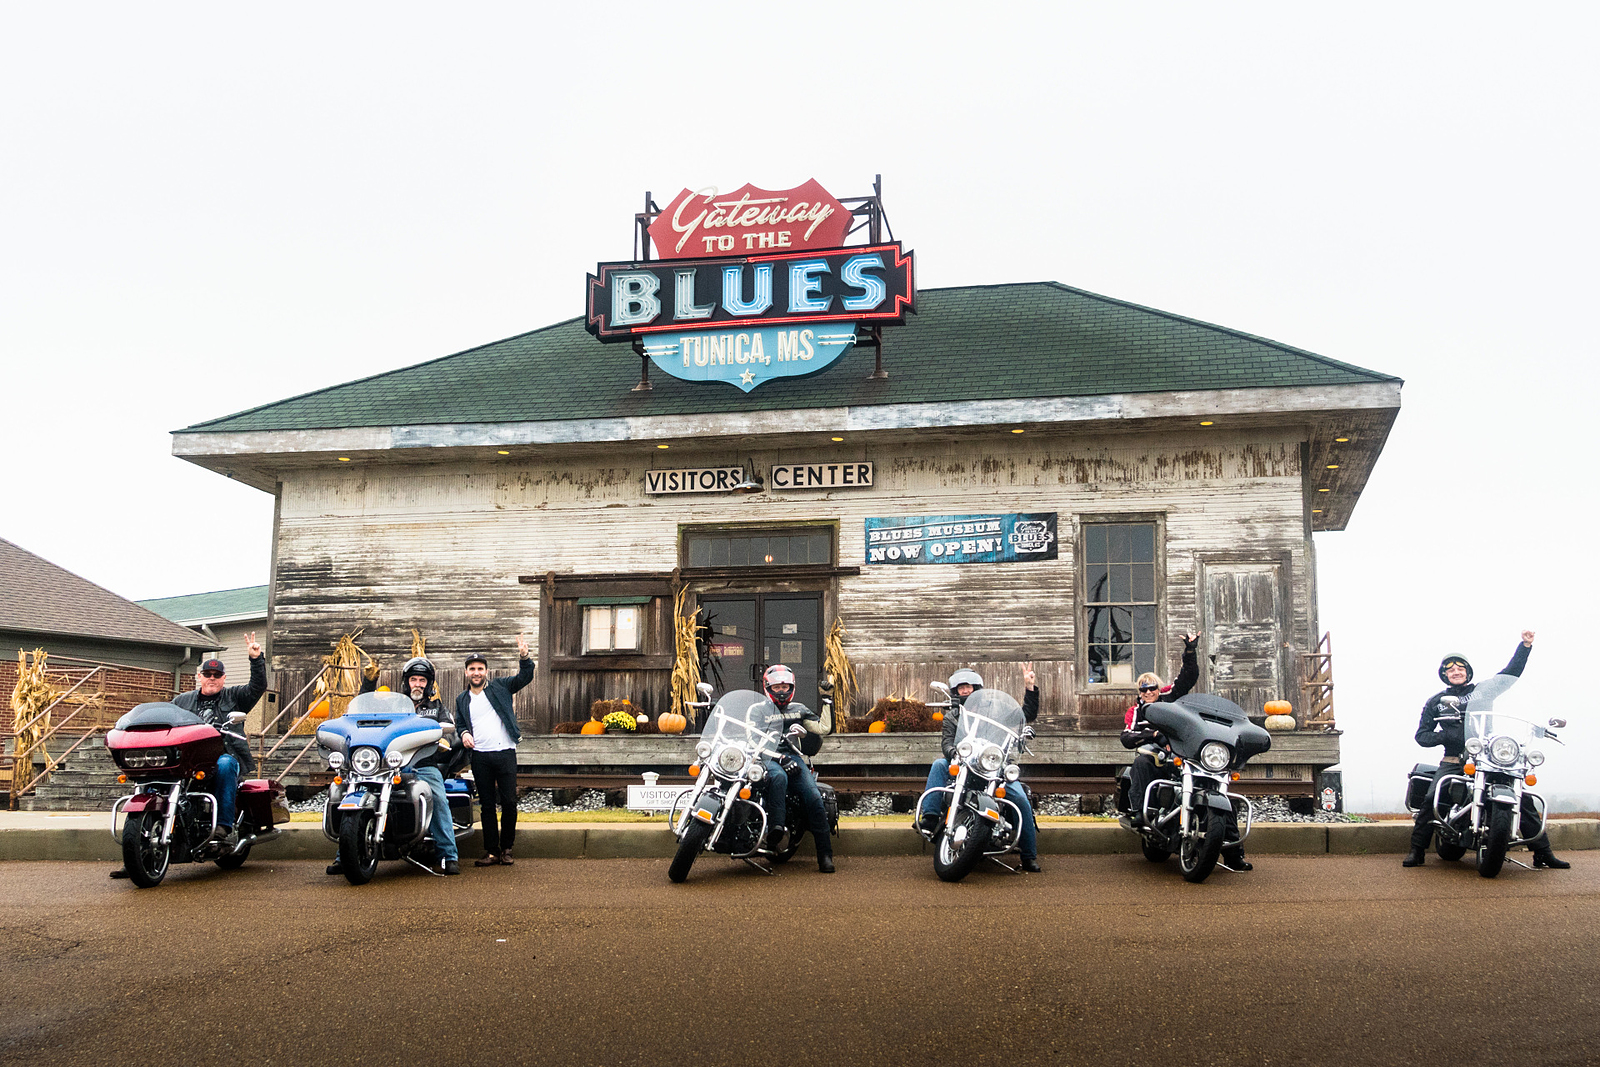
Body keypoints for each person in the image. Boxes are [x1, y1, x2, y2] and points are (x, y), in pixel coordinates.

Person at [1404, 630, 1567, 869]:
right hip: (1453, 760)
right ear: (1444, 675)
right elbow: (1422, 736)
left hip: (1486, 757)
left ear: (1467, 672)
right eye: (1450, 670)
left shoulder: (1482, 691)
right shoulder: (1436, 701)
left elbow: (1509, 675)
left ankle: (1543, 852)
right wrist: (1444, 735)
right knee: (1432, 798)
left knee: (1523, 800)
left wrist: (1525, 646)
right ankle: (1416, 851)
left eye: (1460, 668)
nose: (1456, 672)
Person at [110, 635, 267, 879]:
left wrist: (255, 658)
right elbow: (166, 721)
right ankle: (137, 856)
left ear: (223, 679)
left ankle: (223, 828)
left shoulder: (235, 696)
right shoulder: (182, 701)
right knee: (152, 778)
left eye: (217, 675)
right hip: (187, 761)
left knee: (225, 764)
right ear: (199, 676)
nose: (211, 679)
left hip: (222, 755)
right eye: (207, 674)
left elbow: (257, 687)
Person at [1120, 632, 1250, 871]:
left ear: (1159, 688)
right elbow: (1127, 737)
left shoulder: (1171, 698)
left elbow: (1188, 677)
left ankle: (1234, 854)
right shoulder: (1135, 712)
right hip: (1157, 757)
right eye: (1143, 689)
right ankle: (1140, 812)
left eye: (1152, 688)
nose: (1148, 692)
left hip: (1183, 754)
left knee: (1216, 790)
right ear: (1139, 692)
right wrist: (1154, 736)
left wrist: (1190, 650)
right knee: (1141, 764)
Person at [324, 656, 462, 875]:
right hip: (387, 764)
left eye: (422, 680)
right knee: (351, 790)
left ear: (429, 684)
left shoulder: (437, 708)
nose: (417, 684)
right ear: (406, 682)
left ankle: (448, 855)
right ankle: (345, 856)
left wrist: (446, 738)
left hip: (421, 764)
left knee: (437, 796)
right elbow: (360, 716)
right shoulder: (391, 706)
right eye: (414, 679)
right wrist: (369, 684)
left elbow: (452, 731)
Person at [916, 665, 1042, 873]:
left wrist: (1029, 687)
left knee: (1020, 799)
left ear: (977, 688)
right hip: (965, 764)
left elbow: (1025, 714)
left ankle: (1029, 855)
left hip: (994, 768)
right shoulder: (952, 716)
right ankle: (929, 818)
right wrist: (955, 753)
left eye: (969, 687)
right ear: (955, 692)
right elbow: (947, 743)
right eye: (961, 688)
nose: (965, 691)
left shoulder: (996, 713)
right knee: (939, 765)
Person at [458, 636, 535, 867]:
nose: (476, 672)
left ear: (486, 671)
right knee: (487, 805)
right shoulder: (462, 699)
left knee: (509, 802)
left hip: (505, 753)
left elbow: (525, 677)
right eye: (472, 669)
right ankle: (492, 851)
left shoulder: (501, 686)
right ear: (466, 673)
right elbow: (461, 723)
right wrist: (464, 734)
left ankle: (507, 849)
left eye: (480, 668)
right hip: (480, 756)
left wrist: (524, 657)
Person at [755, 664, 835, 873]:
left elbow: (823, 729)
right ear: (767, 687)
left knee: (814, 796)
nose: (781, 691)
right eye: (777, 687)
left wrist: (827, 700)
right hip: (765, 757)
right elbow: (749, 739)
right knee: (778, 778)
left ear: (792, 687)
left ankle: (825, 855)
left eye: (785, 687)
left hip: (793, 757)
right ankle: (776, 829)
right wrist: (779, 758)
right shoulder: (757, 710)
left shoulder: (799, 709)